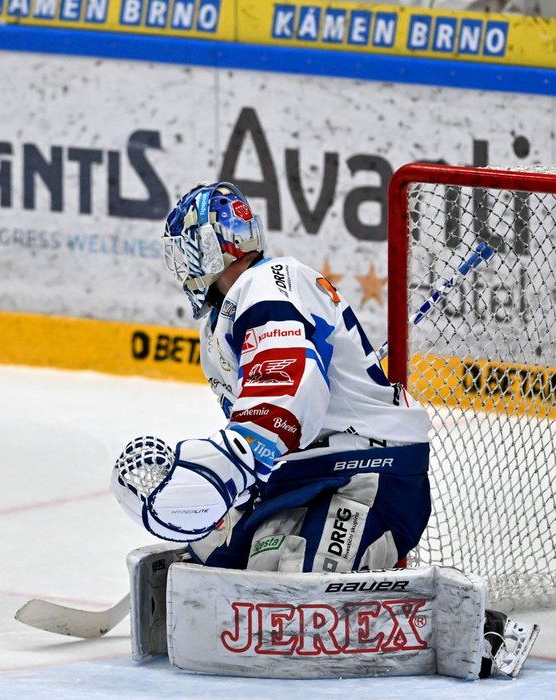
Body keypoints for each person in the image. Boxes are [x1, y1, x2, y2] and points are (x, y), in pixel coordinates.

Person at [110, 180, 537, 676]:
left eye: (185, 250)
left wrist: (237, 455)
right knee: (221, 565)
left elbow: (291, 382)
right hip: (307, 474)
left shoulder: (265, 284)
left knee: (290, 586)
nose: (180, 266)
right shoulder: (224, 315)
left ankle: (467, 625)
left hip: (369, 472)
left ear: (212, 245)